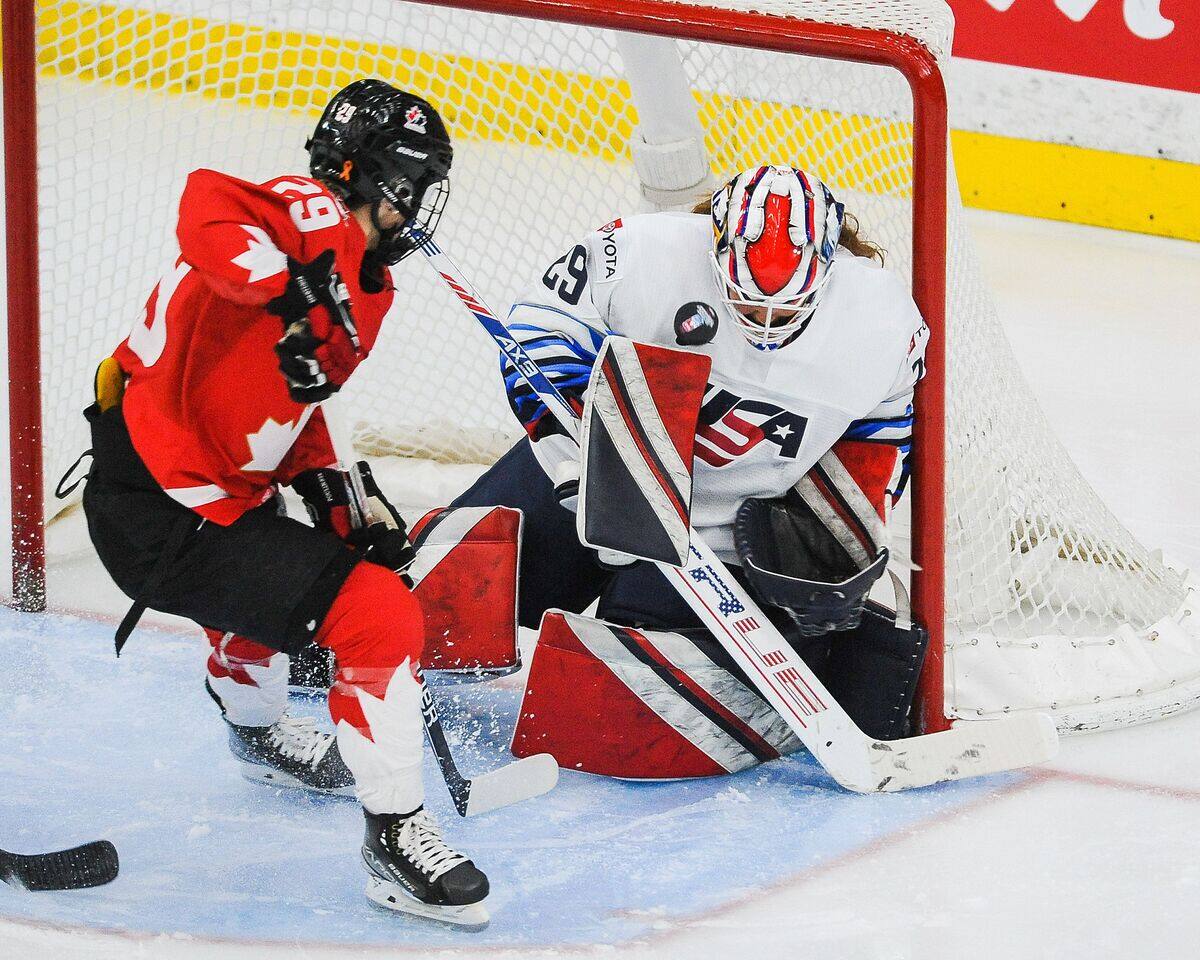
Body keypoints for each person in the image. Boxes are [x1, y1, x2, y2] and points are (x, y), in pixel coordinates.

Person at [80, 79, 490, 927]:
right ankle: (395, 838)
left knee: (302, 551)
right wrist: (291, 290)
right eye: (413, 183)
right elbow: (207, 204)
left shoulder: (365, 285)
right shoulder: (312, 214)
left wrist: (336, 503)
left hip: (189, 494)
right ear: (374, 175)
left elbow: (288, 405)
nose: (417, 207)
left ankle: (257, 730)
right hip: (162, 505)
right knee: (376, 616)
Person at [453, 164, 931, 776]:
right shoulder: (639, 252)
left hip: (717, 541)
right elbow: (538, 330)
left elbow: (883, 437)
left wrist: (838, 542)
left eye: (785, 308)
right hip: (592, 476)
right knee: (448, 597)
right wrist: (578, 453)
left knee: (606, 708)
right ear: (717, 247)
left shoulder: (883, 321)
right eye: (747, 300)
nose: (763, 322)